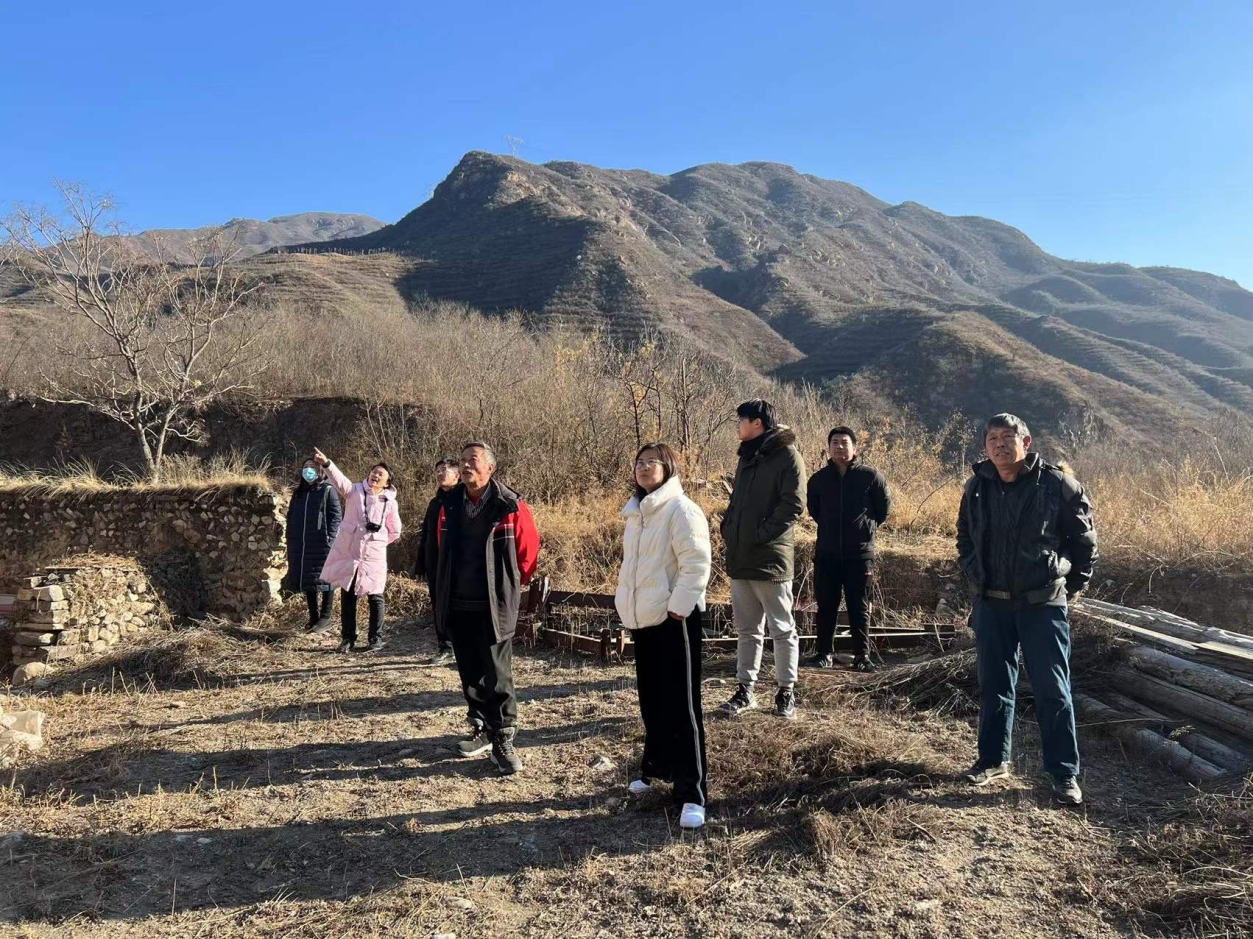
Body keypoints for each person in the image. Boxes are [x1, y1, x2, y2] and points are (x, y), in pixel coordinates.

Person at [956, 413, 1097, 806]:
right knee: (994, 686)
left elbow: (1084, 542)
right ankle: (992, 760)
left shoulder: (1056, 484)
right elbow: (964, 536)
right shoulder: (977, 486)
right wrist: (974, 573)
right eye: (993, 438)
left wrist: (1067, 588)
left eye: (1008, 437)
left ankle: (1063, 773)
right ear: (985, 446)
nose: (1000, 445)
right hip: (992, 604)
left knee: (1053, 689)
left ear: (1026, 442)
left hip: (1042, 605)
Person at [614, 443, 712, 831]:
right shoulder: (637, 513)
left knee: (683, 707)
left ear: (667, 467)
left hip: (675, 619)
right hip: (645, 617)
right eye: (638, 462)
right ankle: (656, 768)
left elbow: (696, 564)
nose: (643, 467)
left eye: (651, 462)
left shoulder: (681, 509)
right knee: (651, 699)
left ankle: (692, 793)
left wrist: (678, 607)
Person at [432, 442, 540, 775]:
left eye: (473, 460)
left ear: (490, 468)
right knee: (469, 673)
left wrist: (507, 586)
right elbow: (441, 547)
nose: (466, 466)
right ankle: (481, 727)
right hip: (458, 602)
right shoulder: (449, 504)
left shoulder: (510, 505)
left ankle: (503, 737)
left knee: (498, 674)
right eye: (462, 460)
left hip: (494, 604)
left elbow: (528, 555)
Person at [719, 399, 807, 719]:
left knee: (781, 629)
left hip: (770, 558)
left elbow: (793, 505)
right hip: (741, 555)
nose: (737, 425)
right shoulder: (747, 456)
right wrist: (728, 528)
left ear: (757, 423)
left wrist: (760, 534)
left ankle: (786, 691)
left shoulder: (787, 455)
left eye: (741, 420)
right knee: (747, 630)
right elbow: (737, 501)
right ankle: (745, 690)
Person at [805, 426, 892, 671]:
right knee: (826, 605)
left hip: (859, 554)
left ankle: (861, 656)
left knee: (859, 606)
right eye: (834, 442)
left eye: (844, 442)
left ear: (855, 447)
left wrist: (864, 529)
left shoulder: (871, 476)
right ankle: (823, 653)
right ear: (828, 447)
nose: (839, 447)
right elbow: (815, 511)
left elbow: (883, 510)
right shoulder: (818, 480)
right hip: (827, 553)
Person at [311, 447, 403, 654]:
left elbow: (395, 531)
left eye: (380, 474)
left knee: (376, 596)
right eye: (374, 471)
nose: (375, 475)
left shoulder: (390, 502)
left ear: (387, 482)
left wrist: (378, 541)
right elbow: (339, 480)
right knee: (348, 595)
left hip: (374, 557)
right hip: (350, 554)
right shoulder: (354, 491)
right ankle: (348, 639)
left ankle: (375, 638)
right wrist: (327, 464)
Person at [284, 459, 343, 632]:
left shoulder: (327, 490)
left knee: (326, 579)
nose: (308, 470)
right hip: (302, 544)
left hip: (322, 543)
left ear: (320, 471)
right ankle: (313, 617)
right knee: (308, 579)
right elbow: (290, 516)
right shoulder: (299, 493)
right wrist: (291, 536)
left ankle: (326, 617)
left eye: (312, 467)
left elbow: (336, 517)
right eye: (305, 467)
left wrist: (330, 539)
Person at [416, 456, 460, 666]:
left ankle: (461, 648)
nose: (440, 474)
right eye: (438, 470)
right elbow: (426, 534)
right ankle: (445, 647)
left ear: (457, 475)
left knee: (457, 606)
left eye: (445, 470)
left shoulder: (463, 500)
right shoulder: (435, 503)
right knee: (439, 606)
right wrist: (421, 563)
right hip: (435, 563)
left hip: (458, 564)